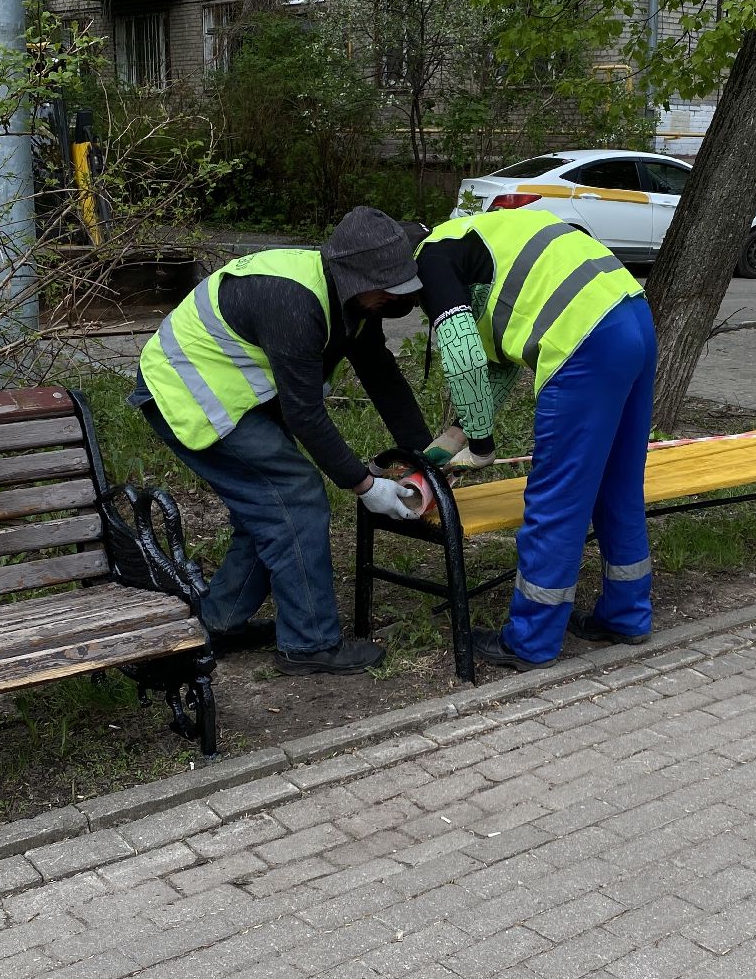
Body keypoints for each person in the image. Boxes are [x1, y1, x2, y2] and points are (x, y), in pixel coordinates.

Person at [132, 207, 432, 676]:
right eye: (389, 289)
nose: (402, 299)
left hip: (234, 386)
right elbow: (306, 415)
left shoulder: (351, 299)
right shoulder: (295, 304)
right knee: (296, 498)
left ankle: (221, 620)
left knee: (268, 509)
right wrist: (366, 486)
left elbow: (379, 371)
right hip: (187, 391)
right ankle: (309, 644)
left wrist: (422, 454)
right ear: (355, 280)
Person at [413, 207, 656, 671]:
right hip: (634, 317)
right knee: (618, 483)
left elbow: (462, 352)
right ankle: (627, 615)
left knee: (556, 497)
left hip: (582, 337)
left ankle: (531, 639)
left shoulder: (431, 257)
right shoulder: (483, 246)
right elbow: (496, 368)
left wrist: (482, 447)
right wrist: (453, 441)